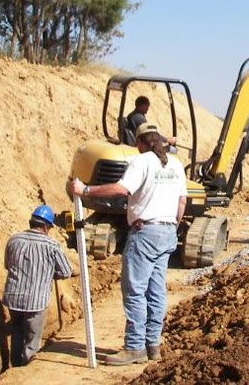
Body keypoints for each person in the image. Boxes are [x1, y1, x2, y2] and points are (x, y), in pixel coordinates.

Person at [70, 123, 187, 365]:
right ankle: (153, 345)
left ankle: (134, 347)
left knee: (135, 290)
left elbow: (121, 189)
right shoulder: (176, 165)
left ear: (140, 142)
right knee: (156, 291)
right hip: (167, 232)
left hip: (145, 233)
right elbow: (182, 201)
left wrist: (86, 190)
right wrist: (171, 226)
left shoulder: (142, 161)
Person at [2, 205, 73, 367]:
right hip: (36, 300)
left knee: (17, 331)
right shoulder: (51, 245)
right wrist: (49, 273)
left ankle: (15, 366)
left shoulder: (14, 240)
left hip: (13, 297)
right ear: (46, 227)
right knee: (32, 340)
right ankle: (26, 368)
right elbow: (66, 271)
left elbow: (8, 265)